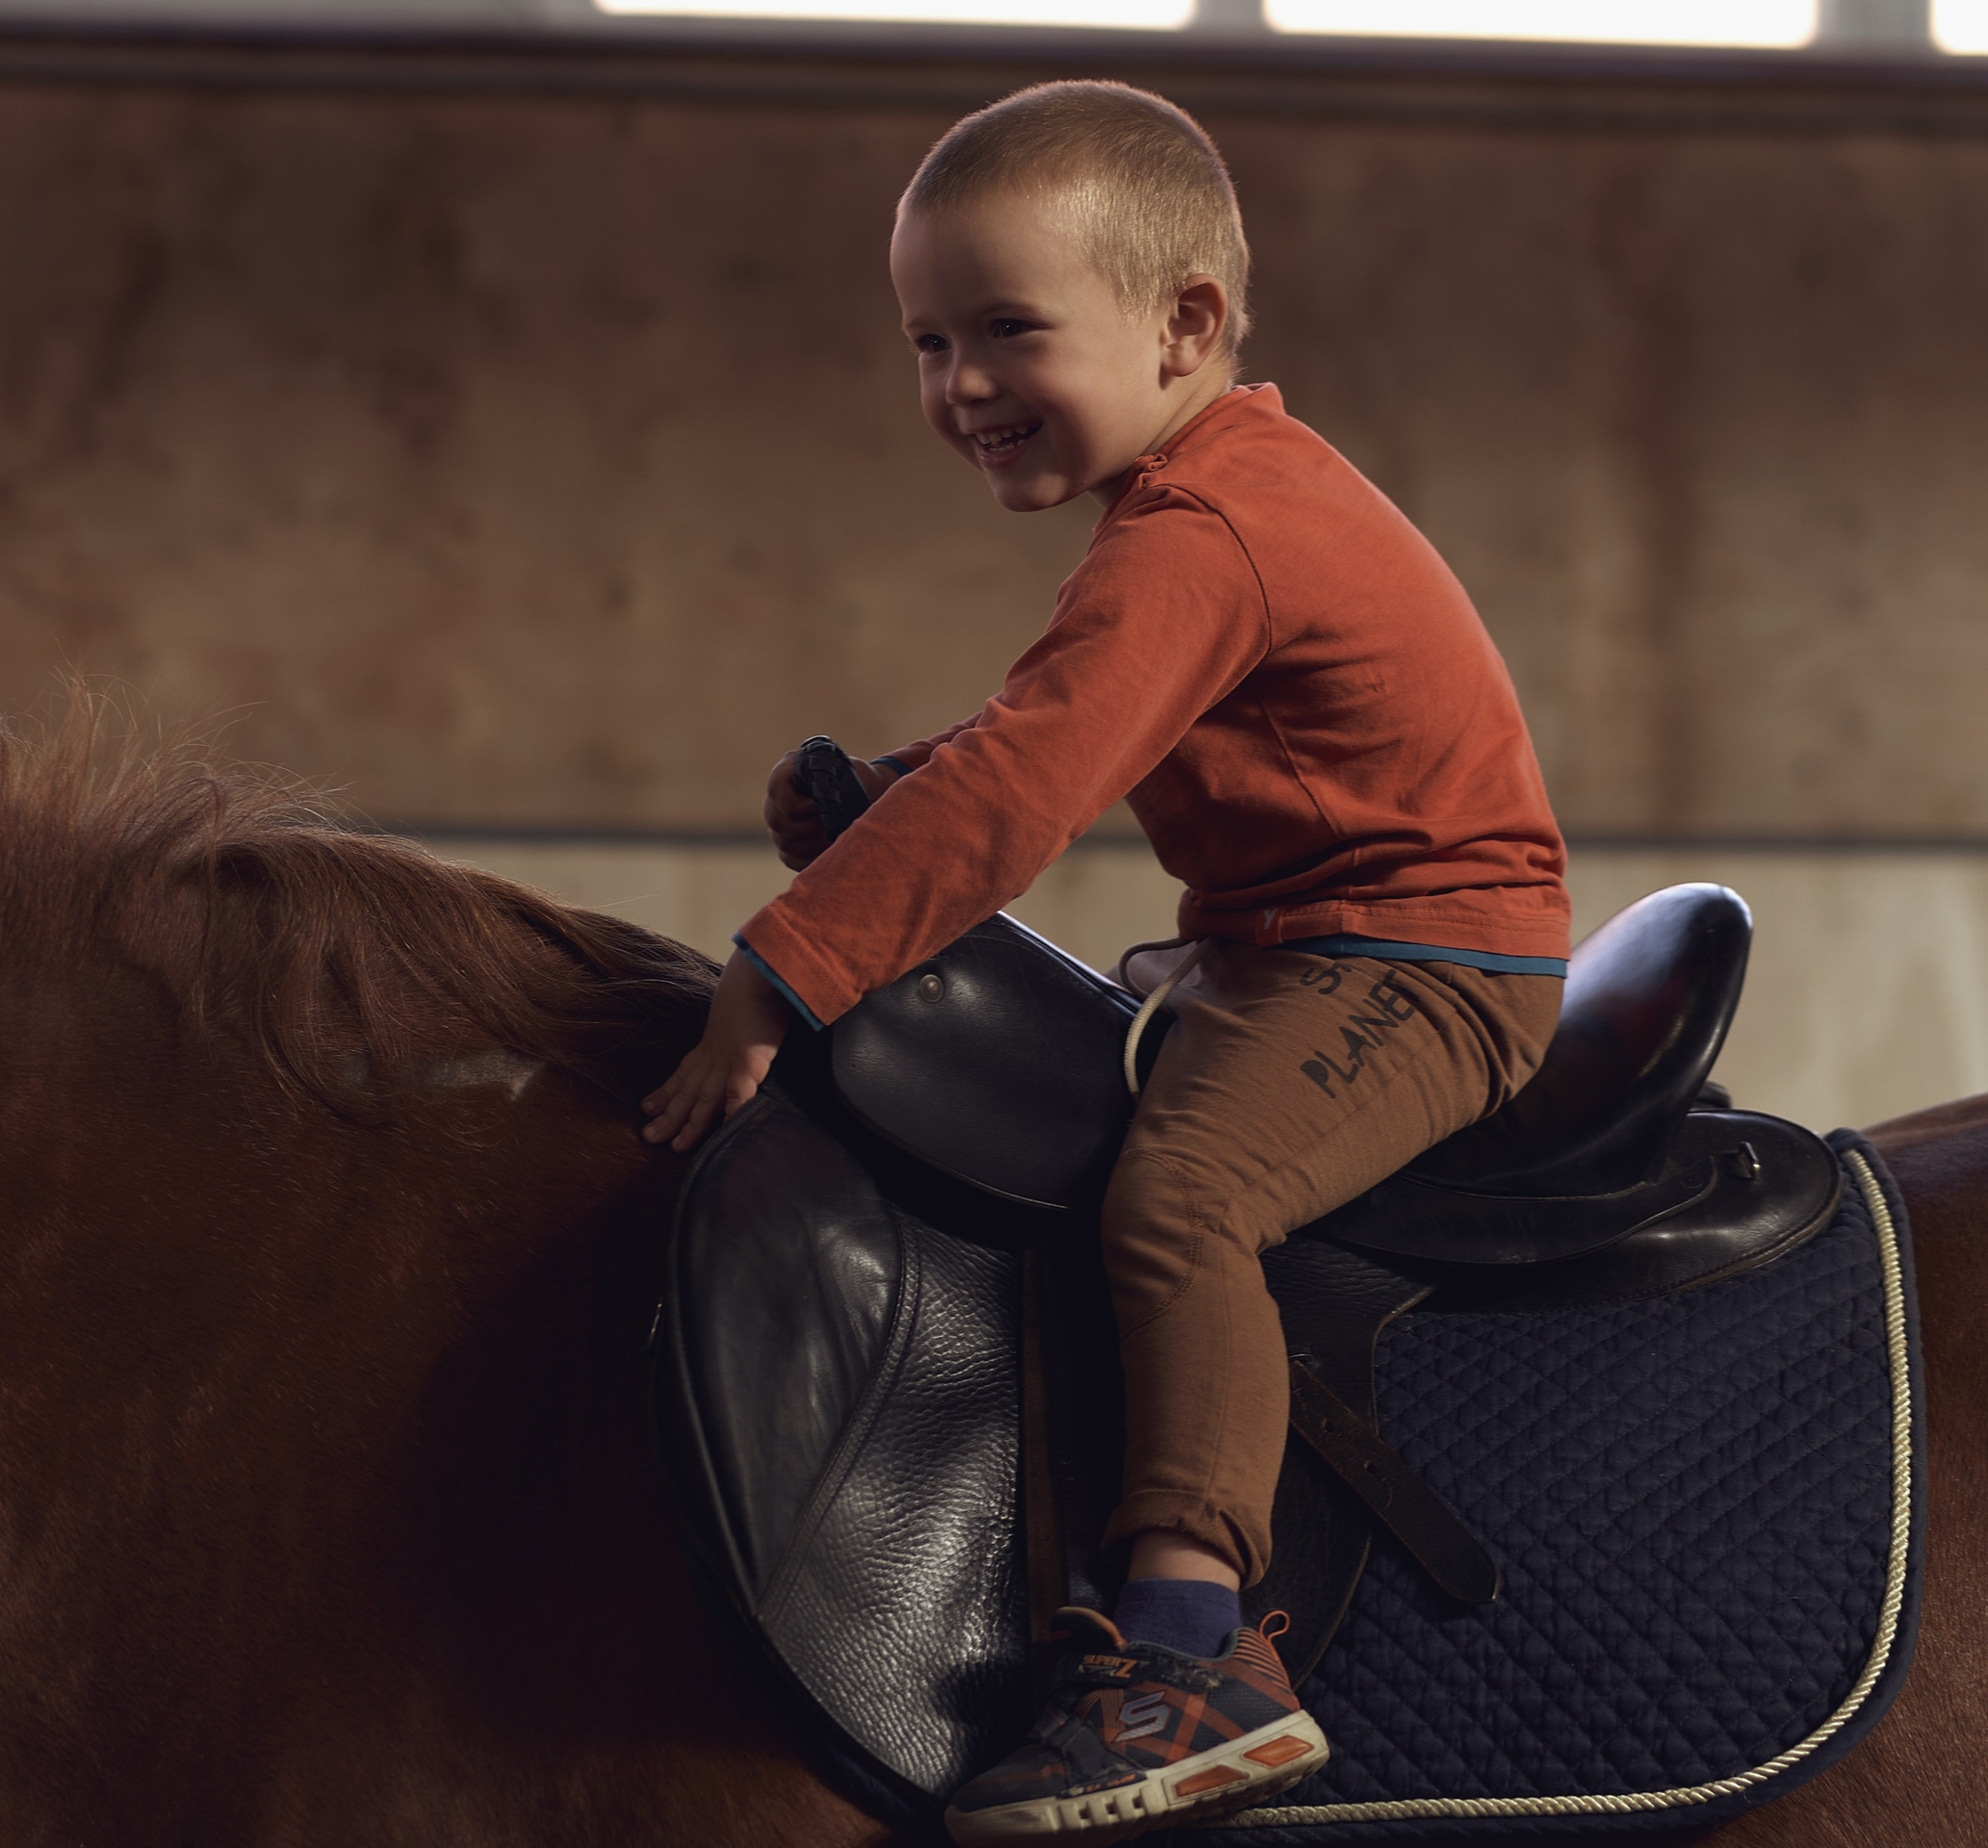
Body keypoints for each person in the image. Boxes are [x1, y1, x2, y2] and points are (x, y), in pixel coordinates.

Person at [640, 79, 1568, 1841]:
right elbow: (1048, 731)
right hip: (1285, 939)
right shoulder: (1200, 505)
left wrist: (782, 967)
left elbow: (1032, 785)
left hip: (1430, 961)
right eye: (927, 340)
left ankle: (1198, 1649)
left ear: (1186, 325)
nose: (960, 386)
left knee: (1185, 1202)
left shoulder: (1208, 534)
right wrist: (887, 793)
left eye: (1007, 330)